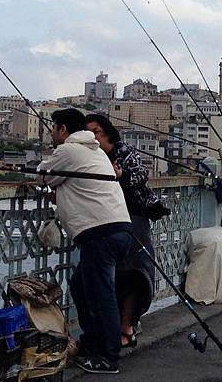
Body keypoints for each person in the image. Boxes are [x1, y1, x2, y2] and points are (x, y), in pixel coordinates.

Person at [37, 108, 132, 374]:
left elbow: (44, 176)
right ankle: (91, 344)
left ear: (63, 129)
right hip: (119, 229)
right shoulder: (95, 151)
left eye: (54, 128)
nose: (52, 133)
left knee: (102, 296)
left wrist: (49, 178)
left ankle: (108, 357)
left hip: (100, 233)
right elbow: (72, 182)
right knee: (81, 286)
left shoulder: (69, 151)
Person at [86, 114, 158, 349]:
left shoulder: (124, 152)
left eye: (95, 131)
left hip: (133, 217)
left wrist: (120, 177)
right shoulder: (92, 155)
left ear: (107, 132)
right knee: (114, 277)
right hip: (106, 222)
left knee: (136, 274)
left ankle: (127, 326)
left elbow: (140, 177)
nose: (92, 136)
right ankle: (115, 327)